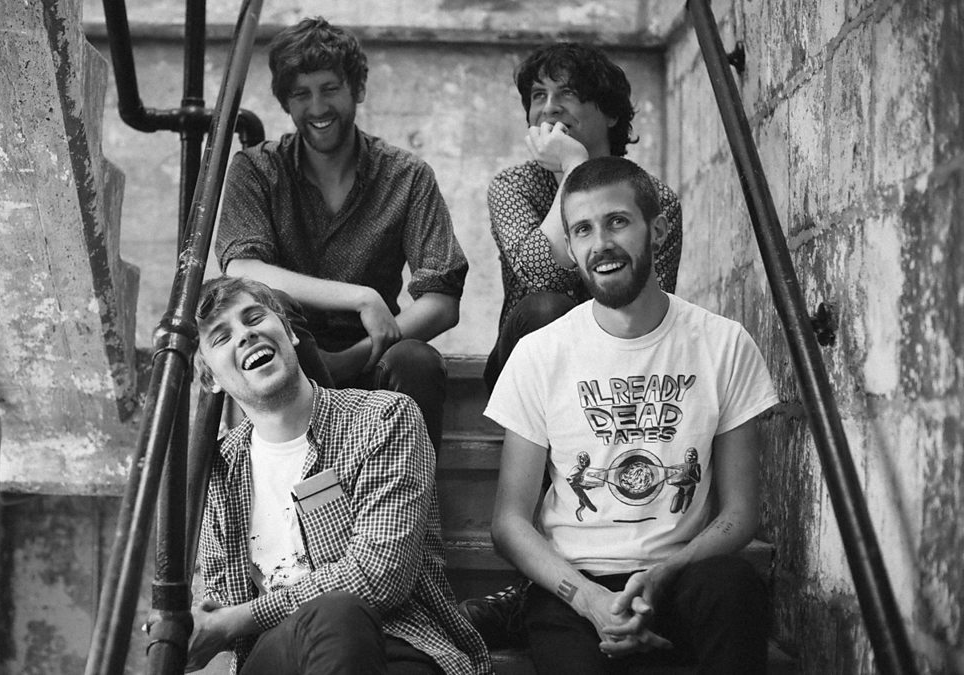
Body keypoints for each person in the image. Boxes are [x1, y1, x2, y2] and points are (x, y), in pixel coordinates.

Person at [485, 156, 777, 673]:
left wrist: (665, 574)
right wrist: (589, 599)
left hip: (681, 575)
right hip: (573, 586)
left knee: (735, 586)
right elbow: (509, 523)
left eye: (617, 221)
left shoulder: (723, 344)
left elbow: (739, 513)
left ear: (657, 230)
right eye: (583, 229)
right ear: (570, 247)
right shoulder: (539, 353)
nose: (601, 243)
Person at [187, 276, 490, 675]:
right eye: (222, 337)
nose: (245, 335)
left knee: (337, 611)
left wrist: (239, 618)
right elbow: (220, 601)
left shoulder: (382, 419)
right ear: (209, 378)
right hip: (278, 656)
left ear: (290, 332)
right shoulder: (219, 468)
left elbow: (379, 576)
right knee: (332, 611)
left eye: (254, 318)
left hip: (396, 646)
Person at [216, 17, 468, 453]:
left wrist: (352, 357)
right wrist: (360, 297)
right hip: (287, 358)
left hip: (375, 356)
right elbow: (242, 267)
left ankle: (413, 492)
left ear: (358, 89)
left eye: (329, 89)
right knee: (269, 325)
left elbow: (442, 300)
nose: (317, 107)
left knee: (416, 361)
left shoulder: (406, 175)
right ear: (286, 102)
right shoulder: (256, 169)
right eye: (301, 94)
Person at [485, 42, 683, 390]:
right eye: (538, 95)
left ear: (610, 113)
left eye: (568, 93)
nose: (549, 108)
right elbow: (543, 278)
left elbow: (647, 307)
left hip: (620, 368)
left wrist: (576, 166)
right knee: (547, 309)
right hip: (525, 374)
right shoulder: (514, 186)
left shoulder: (655, 199)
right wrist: (574, 166)